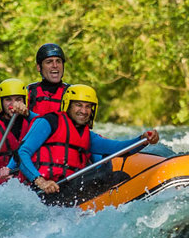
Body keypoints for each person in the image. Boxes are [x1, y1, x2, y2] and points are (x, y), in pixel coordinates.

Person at [15, 83, 159, 195]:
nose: (83, 111)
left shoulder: (87, 136)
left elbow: (118, 149)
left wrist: (143, 139)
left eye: (88, 107)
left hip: (68, 188)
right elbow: (21, 153)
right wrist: (41, 181)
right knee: (115, 176)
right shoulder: (49, 122)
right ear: (68, 105)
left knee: (116, 175)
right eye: (78, 105)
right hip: (40, 191)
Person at [26, 43, 69, 115]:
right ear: (39, 67)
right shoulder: (29, 92)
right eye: (49, 62)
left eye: (58, 61)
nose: (55, 66)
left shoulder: (71, 92)